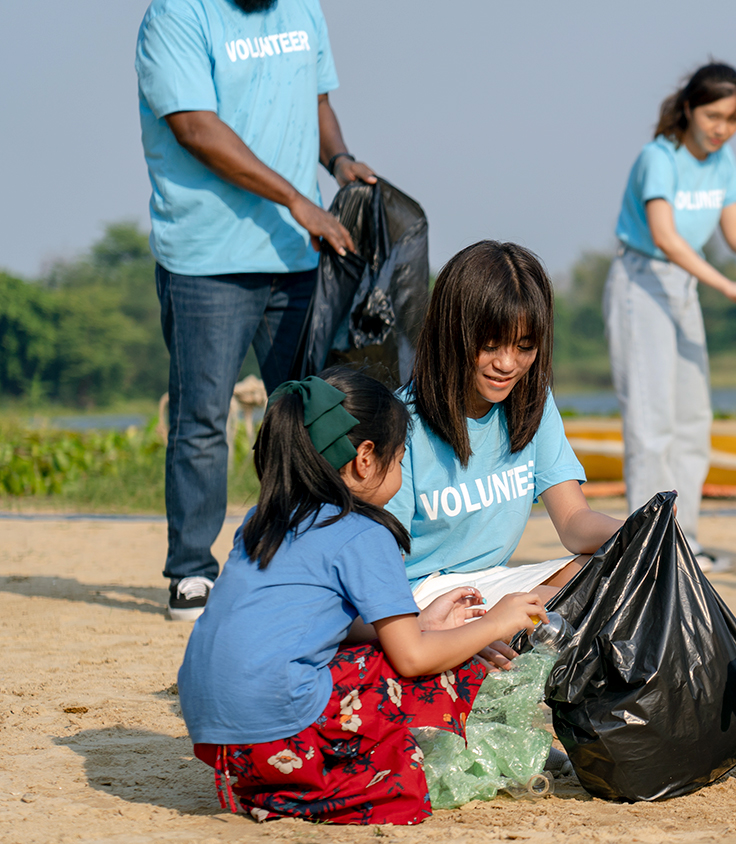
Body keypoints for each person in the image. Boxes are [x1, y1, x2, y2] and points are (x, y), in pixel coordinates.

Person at [178, 368, 548, 824]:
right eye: (400, 459)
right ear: (365, 458)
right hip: (276, 732)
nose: (400, 470)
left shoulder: (264, 519)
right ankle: (302, 793)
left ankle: (276, 784)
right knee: (450, 672)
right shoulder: (361, 531)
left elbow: (310, 623)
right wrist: (494, 621)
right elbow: (412, 659)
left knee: (393, 655)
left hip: (218, 740)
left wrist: (421, 623)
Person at [136, 0, 378, 620]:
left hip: (296, 258)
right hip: (206, 257)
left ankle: (307, 556)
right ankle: (191, 571)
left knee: (311, 413)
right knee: (201, 419)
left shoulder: (301, 9)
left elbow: (316, 100)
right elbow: (194, 127)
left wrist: (340, 160)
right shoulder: (179, 16)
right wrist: (298, 199)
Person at [607, 61, 736, 571]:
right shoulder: (658, 158)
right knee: (650, 423)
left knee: (693, 419)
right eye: (714, 115)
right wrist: (727, 285)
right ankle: (648, 549)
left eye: (733, 118)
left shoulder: (723, 161)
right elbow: (664, 236)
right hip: (643, 282)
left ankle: (685, 541)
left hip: (685, 287)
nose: (722, 127)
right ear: (688, 108)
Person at [386, 241, 622, 641]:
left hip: (494, 582)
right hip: (420, 594)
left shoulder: (532, 402)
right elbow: (381, 565)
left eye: (524, 346)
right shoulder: (400, 423)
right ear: (452, 334)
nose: (507, 364)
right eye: (490, 345)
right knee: (558, 605)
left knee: (618, 573)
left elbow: (573, 522)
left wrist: (639, 533)